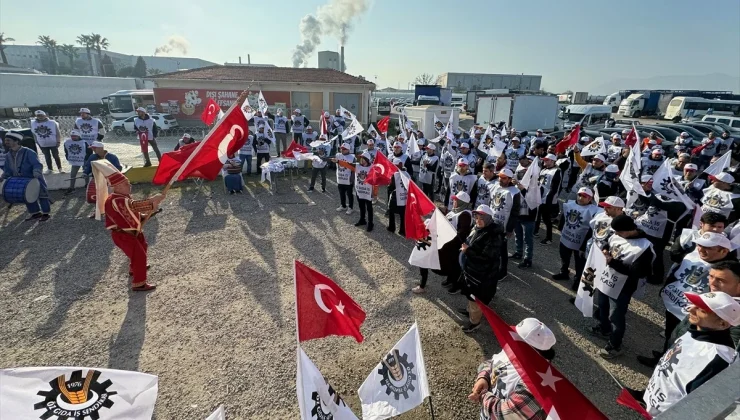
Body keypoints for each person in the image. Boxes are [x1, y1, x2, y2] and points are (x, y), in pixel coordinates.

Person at [640, 291, 740, 416]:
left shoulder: (718, 360)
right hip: (650, 406)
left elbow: (697, 408)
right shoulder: (696, 330)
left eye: (702, 310)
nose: (691, 310)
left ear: (723, 323)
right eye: (695, 304)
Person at [639, 260, 740, 369]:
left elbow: (727, 356)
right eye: (711, 276)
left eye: (720, 280)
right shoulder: (714, 294)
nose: (712, 283)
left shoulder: (736, 316)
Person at [590, 214, 655, 358]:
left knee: (616, 315)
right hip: (607, 279)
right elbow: (609, 243)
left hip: (623, 287)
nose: (616, 234)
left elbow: (637, 273)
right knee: (603, 305)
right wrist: (606, 250)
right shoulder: (617, 234)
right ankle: (604, 329)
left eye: (619, 232)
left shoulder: (644, 247)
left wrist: (611, 261)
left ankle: (615, 345)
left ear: (629, 230)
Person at [95, 161, 165, 291]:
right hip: (123, 234)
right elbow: (133, 206)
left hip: (130, 231)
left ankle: (135, 268)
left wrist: (150, 209)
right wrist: (153, 201)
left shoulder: (122, 197)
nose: (130, 186)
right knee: (139, 255)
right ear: (118, 186)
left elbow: (131, 210)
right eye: (126, 184)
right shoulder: (117, 199)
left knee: (142, 247)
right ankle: (139, 283)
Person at [659, 232, 734, 352]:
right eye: (700, 245)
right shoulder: (692, 256)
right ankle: (662, 358)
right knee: (671, 336)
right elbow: (676, 274)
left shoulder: (730, 272)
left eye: (708, 248)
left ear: (723, 251)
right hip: (675, 306)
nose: (701, 250)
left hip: (696, 316)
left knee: (683, 344)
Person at [470, 318, 556, 419]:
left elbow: (505, 415)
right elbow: (493, 362)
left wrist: (482, 394)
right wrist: (484, 377)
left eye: (515, 337)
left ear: (528, 348)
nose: (510, 337)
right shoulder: (514, 350)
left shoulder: (536, 384)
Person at [628, 176, 688, 284]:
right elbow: (647, 202)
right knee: (644, 251)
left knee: (657, 254)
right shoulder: (660, 196)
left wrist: (649, 193)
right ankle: (642, 271)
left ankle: (657, 277)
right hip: (646, 227)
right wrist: (642, 192)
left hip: (661, 234)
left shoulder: (680, 203)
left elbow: (659, 204)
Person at [414, 192, 472, 294]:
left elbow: (462, 233)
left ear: (462, 202)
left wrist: (448, 240)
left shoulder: (465, 214)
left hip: (454, 245)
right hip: (447, 243)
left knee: (453, 265)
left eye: (456, 200)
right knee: (447, 264)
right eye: (454, 199)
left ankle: (456, 285)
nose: (454, 201)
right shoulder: (455, 211)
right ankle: (450, 279)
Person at [459, 204, 504, 332]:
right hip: (473, 272)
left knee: (475, 299)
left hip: (482, 277)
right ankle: (470, 312)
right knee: (470, 296)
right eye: (476, 217)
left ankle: (475, 322)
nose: (478, 220)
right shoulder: (478, 228)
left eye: (481, 218)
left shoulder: (494, 236)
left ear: (489, 219)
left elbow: (486, 258)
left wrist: (468, 251)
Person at [553, 187, 600, 290]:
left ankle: (577, 281)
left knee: (579, 263)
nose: (581, 198)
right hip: (567, 237)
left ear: (590, 199)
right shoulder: (570, 204)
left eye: (585, 196)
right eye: (579, 195)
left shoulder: (594, 211)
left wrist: (584, 246)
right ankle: (564, 272)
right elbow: (565, 216)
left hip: (581, 241)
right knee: (564, 256)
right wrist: (560, 226)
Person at [2, 132, 52, 221]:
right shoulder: (8, 155)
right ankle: (35, 213)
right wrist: (3, 176)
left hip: (34, 178)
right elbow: (7, 169)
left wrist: (36, 173)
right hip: (21, 180)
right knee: (27, 196)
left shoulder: (29, 152)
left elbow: (37, 164)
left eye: (8, 140)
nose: (6, 142)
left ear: (16, 141)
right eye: (5, 140)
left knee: (42, 195)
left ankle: (46, 213)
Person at [534, 154, 562, 244]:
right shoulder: (543, 170)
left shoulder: (556, 171)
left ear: (553, 161)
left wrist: (546, 200)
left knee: (546, 219)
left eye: (547, 160)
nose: (544, 161)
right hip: (540, 197)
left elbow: (554, 188)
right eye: (544, 160)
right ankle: (535, 231)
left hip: (548, 200)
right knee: (538, 216)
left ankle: (549, 238)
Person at [387, 158, 409, 236]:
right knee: (403, 214)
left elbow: (391, 187)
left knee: (391, 212)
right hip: (404, 197)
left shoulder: (394, 174)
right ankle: (402, 230)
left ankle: (391, 227)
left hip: (395, 197)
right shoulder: (406, 173)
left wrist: (389, 185)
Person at [332, 143, 356, 215]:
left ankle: (350, 207)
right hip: (340, 178)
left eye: (344, 149)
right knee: (341, 193)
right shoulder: (338, 155)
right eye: (341, 148)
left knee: (349, 194)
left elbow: (353, 168)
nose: (342, 150)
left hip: (348, 180)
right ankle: (343, 205)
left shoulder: (352, 157)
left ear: (348, 150)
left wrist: (352, 178)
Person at [63, 130, 88, 194]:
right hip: (75, 160)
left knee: (86, 173)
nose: (73, 137)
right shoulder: (67, 142)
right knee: (73, 174)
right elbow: (66, 151)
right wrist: (68, 157)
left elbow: (89, 152)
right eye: (72, 136)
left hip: (84, 160)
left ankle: (87, 186)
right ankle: (71, 188)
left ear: (78, 136)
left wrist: (86, 160)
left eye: (75, 136)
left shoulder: (84, 142)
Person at [353, 152, 374, 231]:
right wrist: (337, 161)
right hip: (360, 190)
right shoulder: (357, 166)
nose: (361, 160)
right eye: (361, 158)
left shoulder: (372, 167)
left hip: (368, 191)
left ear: (367, 160)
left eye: (363, 158)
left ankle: (370, 223)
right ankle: (362, 220)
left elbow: (376, 180)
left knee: (369, 208)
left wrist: (375, 193)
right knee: (361, 206)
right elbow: (346, 164)